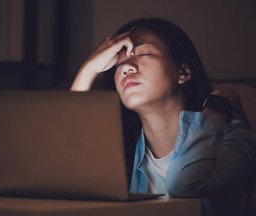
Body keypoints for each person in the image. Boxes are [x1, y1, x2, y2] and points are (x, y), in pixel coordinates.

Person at [70, 17, 256, 216]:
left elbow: (186, 185)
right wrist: (89, 69)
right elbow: (61, 158)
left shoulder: (235, 140)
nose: (127, 67)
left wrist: (218, 103)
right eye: (120, 62)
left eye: (144, 53)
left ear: (182, 72)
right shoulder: (122, 149)